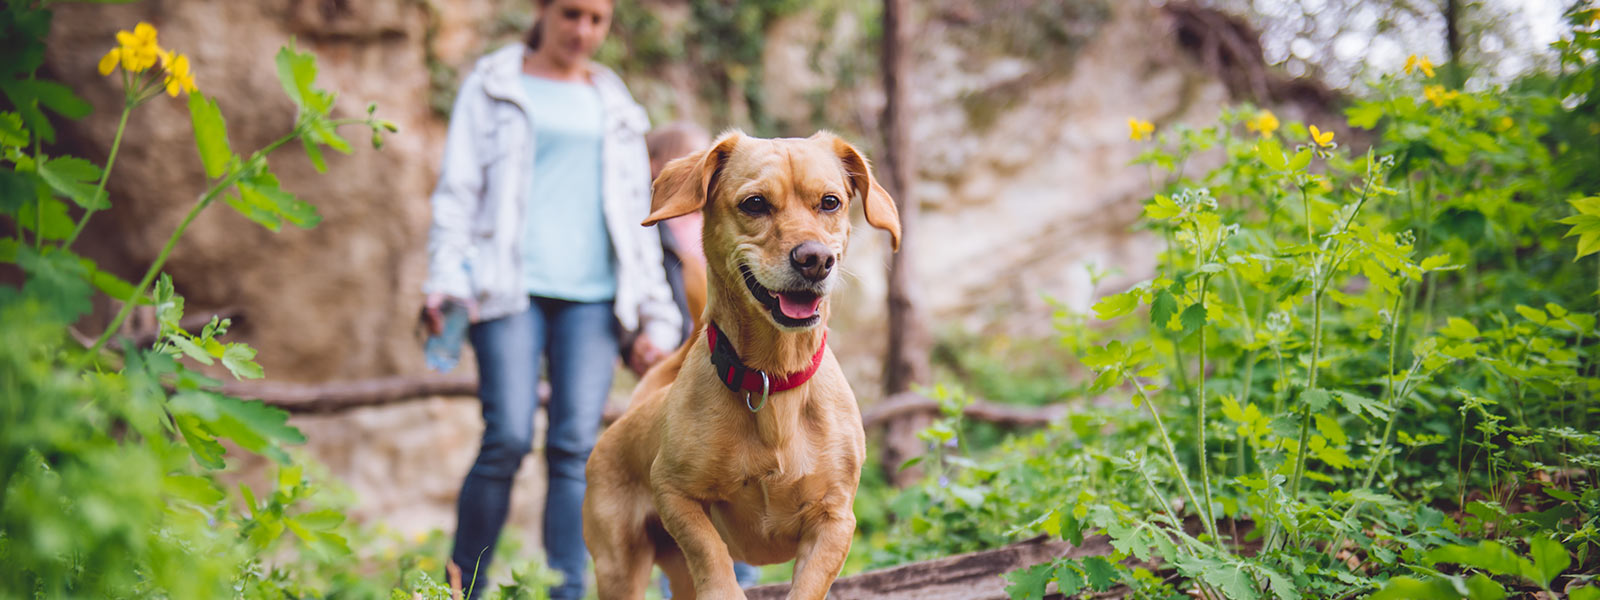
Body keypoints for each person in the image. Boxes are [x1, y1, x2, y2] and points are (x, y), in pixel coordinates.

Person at [420, 0, 680, 597]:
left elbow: (637, 213)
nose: (582, 30)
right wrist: (446, 280)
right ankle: (462, 587)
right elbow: (457, 192)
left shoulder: (615, 103)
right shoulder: (491, 86)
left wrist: (656, 314)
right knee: (507, 436)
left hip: (594, 298)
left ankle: (565, 591)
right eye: (571, 14)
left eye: (597, 19)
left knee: (574, 449)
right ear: (543, 11)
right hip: (507, 287)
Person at [636, 122, 764, 595]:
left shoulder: (732, 219)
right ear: (660, 167)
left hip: (734, 372)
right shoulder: (649, 231)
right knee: (691, 494)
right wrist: (642, 339)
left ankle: (744, 583)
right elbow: (641, 296)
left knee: (744, 486)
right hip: (682, 374)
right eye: (689, 156)